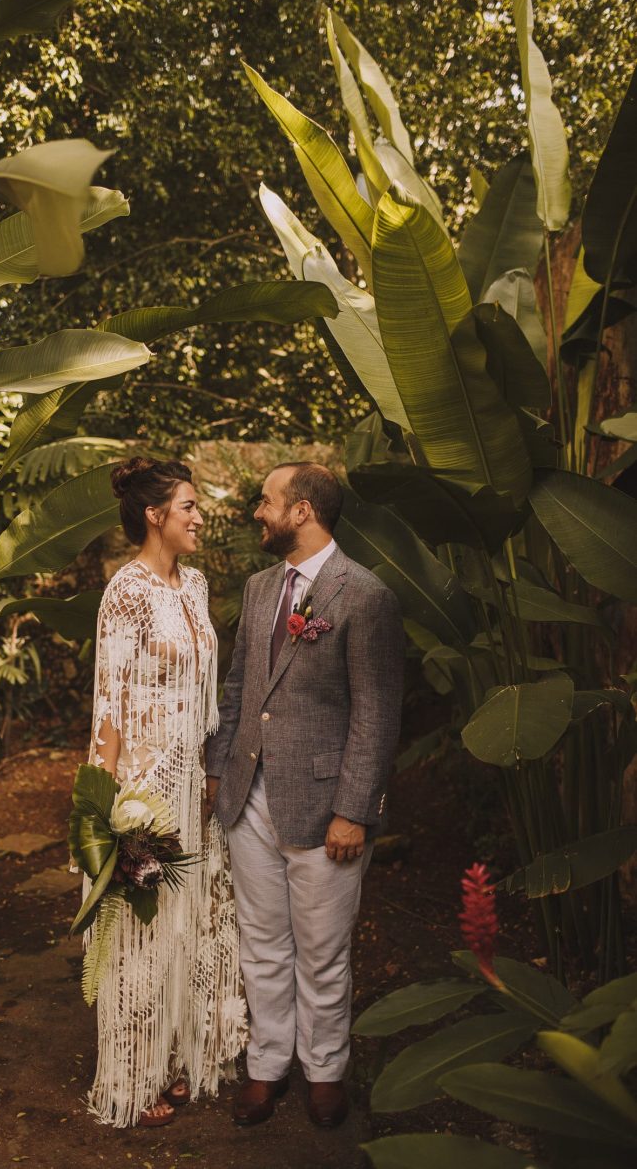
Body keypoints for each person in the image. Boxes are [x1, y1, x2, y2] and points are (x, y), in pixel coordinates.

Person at [205, 462, 405, 1129]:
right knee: (262, 940)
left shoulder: (364, 594)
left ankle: (325, 1068)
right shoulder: (261, 588)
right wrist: (218, 769)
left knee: (322, 948)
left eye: (266, 500)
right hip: (249, 797)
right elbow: (238, 686)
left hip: (325, 808)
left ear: (302, 511)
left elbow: (376, 712)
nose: (256, 511)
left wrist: (354, 808)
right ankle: (267, 1064)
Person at [82, 457, 246, 1128]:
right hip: (144, 789)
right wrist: (107, 805)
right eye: (188, 506)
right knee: (139, 937)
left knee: (187, 926)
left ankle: (178, 1059)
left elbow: (205, 691)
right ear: (155, 516)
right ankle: (131, 1075)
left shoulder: (197, 584)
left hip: (192, 788)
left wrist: (210, 771)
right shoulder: (124, 591)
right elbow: (109, 705)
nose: (199, 516)